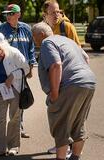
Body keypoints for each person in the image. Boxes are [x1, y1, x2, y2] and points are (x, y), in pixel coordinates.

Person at [32, 21, 96, 160]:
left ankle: (60, 158)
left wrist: (55, 93)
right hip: (88, 81)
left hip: (70, 85)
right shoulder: (66, 40)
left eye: (34, 36)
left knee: (61, 123)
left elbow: (56, 65)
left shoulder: (47, 43)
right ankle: (75, 157)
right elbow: (85, 57)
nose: (33, 40)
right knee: (79, 122)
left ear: (41, 34)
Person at [42, 0, 89, 154]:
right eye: (53, 12)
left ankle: (68, 148)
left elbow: (80, 52)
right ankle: (63, 145)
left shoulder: (66, 26)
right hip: (58, 76)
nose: (57, 15)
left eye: (58, 12)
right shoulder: (47, 29)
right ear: (45, 15)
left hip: (69, 77)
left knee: (68, 114)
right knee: (60, 113)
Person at [0, 3, 36, 138]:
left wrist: (31, 66)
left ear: (18, 15)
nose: (8, 16)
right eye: (7, 14)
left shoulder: (26, 28)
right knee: (5, 100)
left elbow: (31, 48)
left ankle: (19, 126)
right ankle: (2, 129)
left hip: (21, 70)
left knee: (21, 99)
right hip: (5, 71)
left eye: (11, 14)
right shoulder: (1, 29)